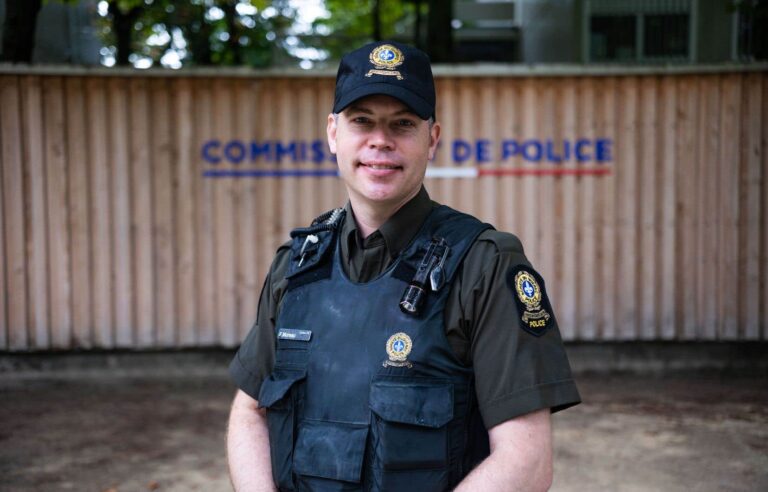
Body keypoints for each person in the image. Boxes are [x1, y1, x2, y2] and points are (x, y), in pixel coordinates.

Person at [227, 41, 581, 492]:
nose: (380, 140)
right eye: (362, 121)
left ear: (431, 139)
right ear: (333, 132)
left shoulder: (485, 265)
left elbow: (526, 462)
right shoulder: (295, 266)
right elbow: (248, 411)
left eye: (402, 124)